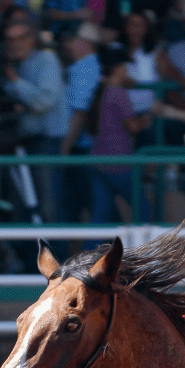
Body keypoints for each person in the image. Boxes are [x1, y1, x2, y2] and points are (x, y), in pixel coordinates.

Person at [2, 19, 69, 222]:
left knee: (48, 206)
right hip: (23, 141)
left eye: (20, 38)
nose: (15, 44)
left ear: (32, 39)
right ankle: (30, 253)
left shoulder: (46, 60)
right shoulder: (15, 66)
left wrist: (16, 83)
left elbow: (43, 101)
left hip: (45, 142)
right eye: (10, 39)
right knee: (26, 207)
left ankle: (56, 254)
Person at [88, 47, 150, 223]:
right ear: (117, 69)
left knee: (100, 216)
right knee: (142, 210)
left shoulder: (102, 90)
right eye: (125, 67)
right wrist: (149, 115)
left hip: (97, 161)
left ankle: (91, 251)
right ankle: (145, 251)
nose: (127, 72)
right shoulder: (117, 93)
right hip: (119, 162)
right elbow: (133, 127)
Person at [59, 22, 102, 222]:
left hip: (82, 147)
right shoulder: (90, 66)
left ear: (85, 43)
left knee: (85, 205)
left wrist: (64, 149)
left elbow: (79, 113)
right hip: (89, 146)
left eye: (71, 39)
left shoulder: (84, 69)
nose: (67, 44)